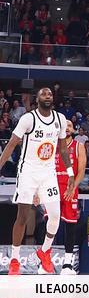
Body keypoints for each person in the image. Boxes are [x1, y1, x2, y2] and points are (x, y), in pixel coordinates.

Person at [0, 87, 72, 275]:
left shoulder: (60, 119)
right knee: (22, 217)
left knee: (55, 216)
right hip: (28, 172)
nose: (48, 96)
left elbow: (63, 149)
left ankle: (45, 251)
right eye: (43, 94)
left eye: (50, 94)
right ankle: (15, 259)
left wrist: (70, 173)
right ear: (37, 99)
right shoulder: (28, 119)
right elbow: (12, 144)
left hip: (48, 172)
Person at [55, 119, 86, 274]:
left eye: (69, 126)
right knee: (50, 223)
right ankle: (45, 260)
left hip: (70, 187)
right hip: (53, 186)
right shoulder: (53, 144)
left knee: (70, 225)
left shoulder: (78, 146)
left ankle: (67, 263)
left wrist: (72, 187)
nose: (66, 128)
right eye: (64, 125)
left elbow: (81, 171)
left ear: (73, 130)